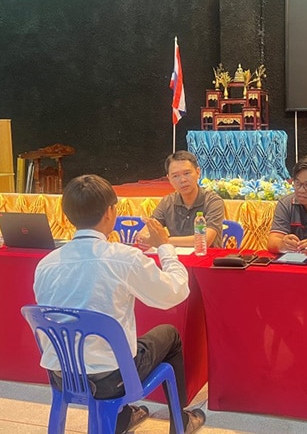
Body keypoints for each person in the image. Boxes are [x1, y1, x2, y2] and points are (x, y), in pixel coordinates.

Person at [33, 174, 205, 434]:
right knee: (169, 335)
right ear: (110, 212)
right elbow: (175, 292)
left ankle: (122, 418)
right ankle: (180, 421)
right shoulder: (123, 258)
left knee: (111, 341)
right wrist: (165, 247)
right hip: (112, 379)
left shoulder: (45, 264)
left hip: (62, 375)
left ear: (68, 215)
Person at [139, 151, 225, 249]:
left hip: (206, 256)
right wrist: (144, 237)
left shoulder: (213, 201)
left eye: (187, 173)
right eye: (175, 176)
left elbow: (204, 239)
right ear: (169, 179)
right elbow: (146, 231)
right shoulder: (167, 202)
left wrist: (164, 240)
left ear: (198, 172)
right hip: (175, 256)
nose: (182, 180)